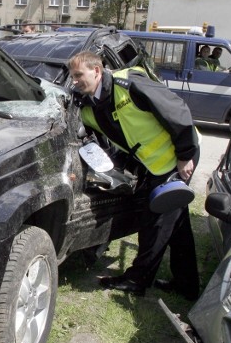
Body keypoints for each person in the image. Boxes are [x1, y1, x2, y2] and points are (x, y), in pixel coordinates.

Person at [68, 51, 201, 300]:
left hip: (178, 157)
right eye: (72, 76)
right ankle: (187, 285)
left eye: (78, 75)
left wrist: (186, 154)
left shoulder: (128, 84)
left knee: (156, 223)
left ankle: (137, 280)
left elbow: (177, 111)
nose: (74, 80)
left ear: (96, 70)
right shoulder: (89, 104)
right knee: (177, 223)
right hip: (154, 164)